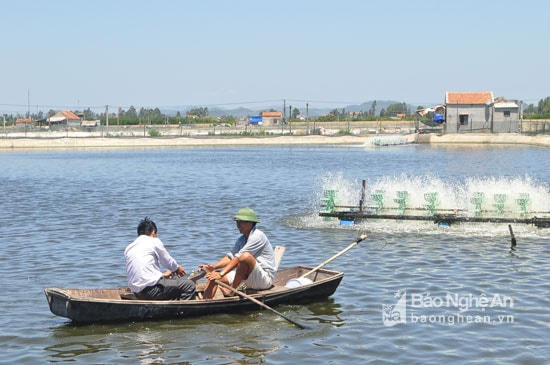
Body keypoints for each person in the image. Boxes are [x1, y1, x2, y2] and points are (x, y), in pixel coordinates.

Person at [201, 208, 276, 299]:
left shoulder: (257, 236)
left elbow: (239, 258)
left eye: (241, 222)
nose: (238, 225)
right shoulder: (241, 239)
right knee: (213, 277)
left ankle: (232, 290)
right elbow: (231, 257)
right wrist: (214, 267)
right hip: (247, 276)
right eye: (237, 222)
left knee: (245, 256)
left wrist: (222, 273)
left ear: (250, 223)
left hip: (263, 280)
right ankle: (206, 303)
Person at [124, 217, 195, 300]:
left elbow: (142, 272)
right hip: (151, 290)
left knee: (172, 285)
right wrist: (177, 268)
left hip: (137, 292)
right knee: (189, 285)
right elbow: (167, 261)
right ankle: (179, 310)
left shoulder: (129, 248)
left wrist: (162, 275)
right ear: (153, 232)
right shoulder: (154, 241)